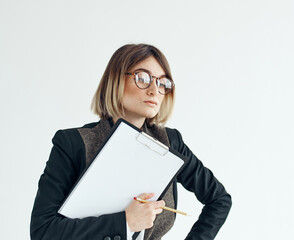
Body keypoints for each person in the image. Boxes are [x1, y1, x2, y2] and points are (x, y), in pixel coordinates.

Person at [30, 44, 232, 240]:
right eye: (143, 78)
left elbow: (219, 200)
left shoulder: (170, 143)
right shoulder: (73, 144)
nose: (154, 90)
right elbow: (43, 231)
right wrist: (125, 221)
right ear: (116, 80)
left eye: (162, 83)